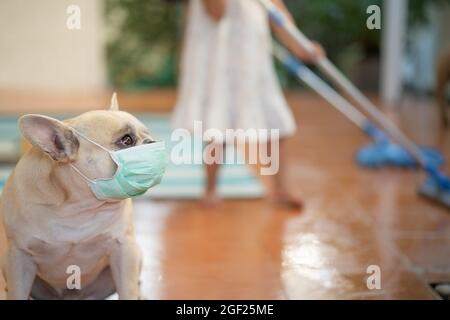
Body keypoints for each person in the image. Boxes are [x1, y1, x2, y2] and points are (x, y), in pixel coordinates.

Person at [172, 0, 325, 208]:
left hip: (252, 57)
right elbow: (216, 12)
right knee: (218, 125)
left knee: (274, 118)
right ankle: (210, 187)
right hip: (220, 56)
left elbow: (277, 13)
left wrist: (300, 47)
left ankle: (282, 187)